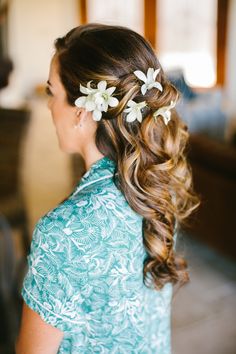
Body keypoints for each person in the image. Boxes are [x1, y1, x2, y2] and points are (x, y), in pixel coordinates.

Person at [16, 24, 200, 353]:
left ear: (82, 111)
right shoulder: (157, 187)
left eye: (51, 92)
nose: (49, 106)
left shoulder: (62, 231)